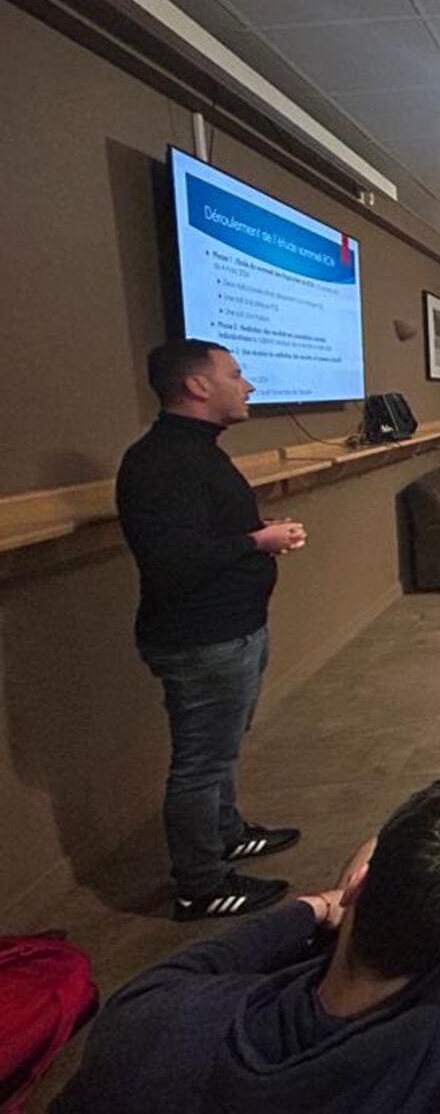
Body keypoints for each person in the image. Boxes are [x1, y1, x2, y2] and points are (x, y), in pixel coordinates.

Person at [54, 779, 440, 1113]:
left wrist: (312, 907)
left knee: (381, 841)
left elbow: (196, 966)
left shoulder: (154, 1032)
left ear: (358, 886)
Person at [116, 339, 304, 921]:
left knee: (221, 750)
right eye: (236, 373)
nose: (247, 385)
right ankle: (201, 883)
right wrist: (257, 541)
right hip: (202, 638)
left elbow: (202, 535)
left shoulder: (197, 451)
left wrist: (257, 535)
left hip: (233, 628)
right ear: (197, 386)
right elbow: (171, 558)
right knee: (200, 762)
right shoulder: (159, 462)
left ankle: (226, 832)